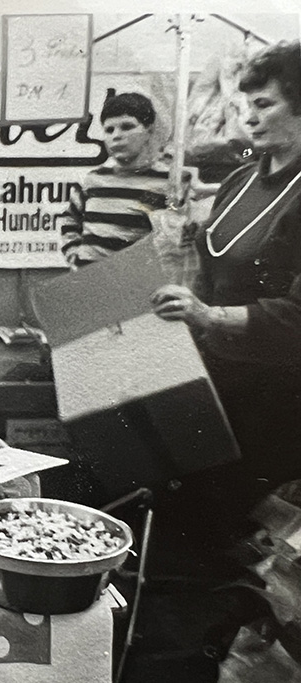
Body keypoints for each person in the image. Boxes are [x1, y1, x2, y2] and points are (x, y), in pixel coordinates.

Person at [151, 40, 301, 490]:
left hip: (276, 393)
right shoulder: (241, 178)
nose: (248, 118)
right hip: (215, 373)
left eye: (262, 104)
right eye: (243, 106)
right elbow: (211, 269)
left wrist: (208, 314)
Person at [61, 92, 172, 267]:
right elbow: (69, 218)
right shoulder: (94, 179)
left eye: (127, 127)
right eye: (109, 130)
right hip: (87, 281)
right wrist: (74, 255)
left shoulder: (168, 181)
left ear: (149, 131)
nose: (116, 136)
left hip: (134, 281)